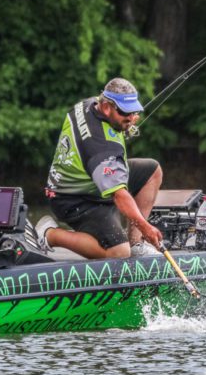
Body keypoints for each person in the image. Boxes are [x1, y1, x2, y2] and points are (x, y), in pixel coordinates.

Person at [36, 77, 164, 259]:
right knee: (119, 252)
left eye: (134, 112)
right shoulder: (101, 148)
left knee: (152, 170)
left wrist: (123, 124)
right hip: (73, 199)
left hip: (88, 179)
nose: (131, 118)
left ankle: (137, 243)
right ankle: (49, 234)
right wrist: (146, 226)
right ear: (106, 107)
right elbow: (119, 195)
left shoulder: (88, 104)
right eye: (125, 112)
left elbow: (105, 130)